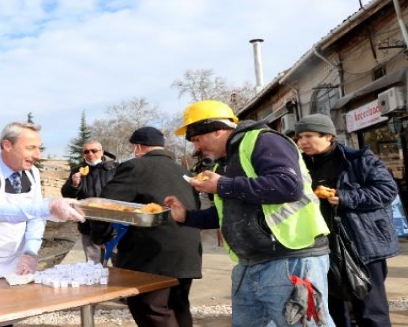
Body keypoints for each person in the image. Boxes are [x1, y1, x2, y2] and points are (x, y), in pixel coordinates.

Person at [166, 100, 334, 327]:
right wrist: (186, 216)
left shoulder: (264, 140)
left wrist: (223, 186)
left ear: (217, 129)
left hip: (292, 256)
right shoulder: (222, 166)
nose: (196, 148)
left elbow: (288, 186)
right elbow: (225, 214)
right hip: (249, 263)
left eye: (197, 139)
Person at [90, 126, 202, 327]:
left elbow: (104, 205)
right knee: (178, 306)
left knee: (151, 309)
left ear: (138, 147)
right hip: (188, 251)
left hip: (151, 255)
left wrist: (101, 237)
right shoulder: (183, 171)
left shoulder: (135, 167)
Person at [295, 113, 399, 327]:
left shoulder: (358, 159)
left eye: (308, 135)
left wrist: (344, 197)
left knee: (371, 310)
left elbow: (387, 191)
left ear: (328, 136)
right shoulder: (300, 166)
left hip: (362, 245)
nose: (302, 142)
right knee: (332, 309)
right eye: (299, 137)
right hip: (322, 246)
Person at [0, 122, 85, 283]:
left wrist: (30, 252)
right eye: (30, 148)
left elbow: (36, 216)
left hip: (16, 263)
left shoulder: (32, 173)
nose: (38, 155)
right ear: (7, 145)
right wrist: (49, 206)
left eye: (39, 148)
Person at [60, 140, 118, 263]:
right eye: (86, 151)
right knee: (93, 265)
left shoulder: (115, 169)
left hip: (112, 225)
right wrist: (74, 184)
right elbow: (66, 194)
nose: (90, 154)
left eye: (94, 151)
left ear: (102, 152)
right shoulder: (78, 171)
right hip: (88, 225)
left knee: (119, 263)